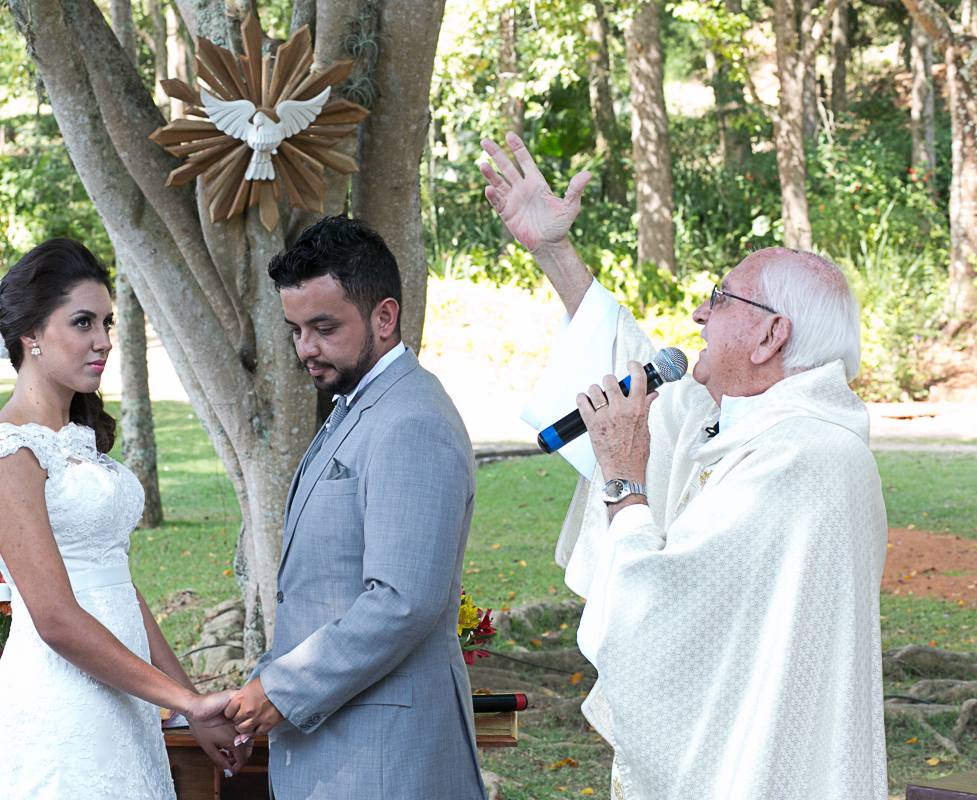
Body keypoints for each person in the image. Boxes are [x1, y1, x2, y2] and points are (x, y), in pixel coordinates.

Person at [480, 134, 888, 799]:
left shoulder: (804, 458)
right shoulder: (742, 422)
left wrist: (624, 481)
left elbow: (653, 612)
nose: (698, 311)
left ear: (770, 334)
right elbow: (627, 363)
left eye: (720, 298)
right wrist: (554, 252)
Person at [0, 239, 244, 800]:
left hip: (125, 699)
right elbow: (56, 618)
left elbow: (119, 587)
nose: (104, 341)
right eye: (83, 322)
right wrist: (181, 701)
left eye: (107, 322)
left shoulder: (78, 443)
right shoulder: (6, 456)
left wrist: (191, 709)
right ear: (30, 335)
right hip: (59, 707)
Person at [224, 215, 487, 800]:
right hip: (339, 748)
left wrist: (282, 689)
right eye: (295, 330)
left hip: (388, 758)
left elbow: (403, 602)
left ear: (385, 317)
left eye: (324, 328)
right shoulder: (356, 403)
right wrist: (262, 685)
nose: (305, 349)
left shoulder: (412, 420)